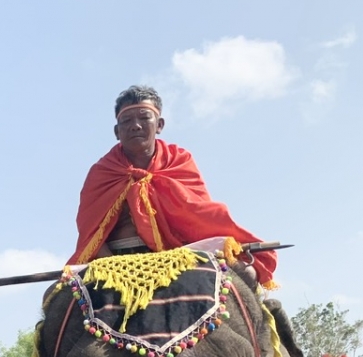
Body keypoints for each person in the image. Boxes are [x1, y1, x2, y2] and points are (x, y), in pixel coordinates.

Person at [69, 85, 277, 286]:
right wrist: (115, 267)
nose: (135, 125)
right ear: (117, 131)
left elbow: (199, 215)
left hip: (178, 253)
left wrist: (171, 259)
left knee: (246, 274)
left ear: (159, 125)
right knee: (57, 299)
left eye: (144, 117)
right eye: (126, 120)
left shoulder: (179, 160)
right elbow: (90, 233)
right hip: (113, 259)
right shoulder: (102, 171)